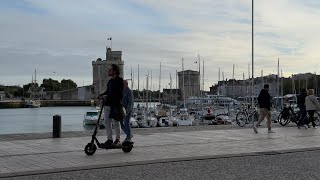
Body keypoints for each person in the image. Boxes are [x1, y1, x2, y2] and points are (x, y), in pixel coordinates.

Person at [98, 64, 124, 147]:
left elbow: (119, 94)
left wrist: (108, 96)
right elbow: (107, 91)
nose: (108, 71)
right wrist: (101, 95)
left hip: (115, 105)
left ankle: (118, 140)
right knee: (106, 122)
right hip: (107, 105)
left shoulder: (120, 80)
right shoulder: (110, 81)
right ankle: (109, 139)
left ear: (114, 71)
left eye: (110, 70)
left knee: (116, 122)